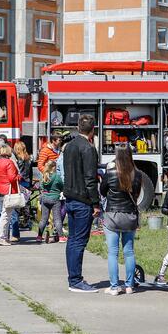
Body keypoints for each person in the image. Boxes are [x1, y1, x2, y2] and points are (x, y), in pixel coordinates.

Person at [63, 114, 100, 293]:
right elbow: (90, 179)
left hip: (70, 197)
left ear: (78, 127)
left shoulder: (69, 146)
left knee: (72, 240)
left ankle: (73, 277)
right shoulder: (88, 148)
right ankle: (76, 280)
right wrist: (96, 203)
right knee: (79, 241)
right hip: (83, 200)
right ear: (93, 130)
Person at [100, 144, 142, 296]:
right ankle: (130, 285)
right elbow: (136, 194)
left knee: (113, 253)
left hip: (112, 216)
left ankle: (114, 286)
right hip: (130, 216)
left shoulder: (110, 173)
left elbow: (102, 191)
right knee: (129, 252)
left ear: (116, 156)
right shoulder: (137, 174)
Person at [0, 145, 20, 246]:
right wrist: (18, 177)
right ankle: (0, 238)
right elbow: (12, 178)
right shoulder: (9, 162)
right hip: (8, 191)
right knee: (6, 215)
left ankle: (3, 237)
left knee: (4, 214)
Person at [36, 160, 65, 243]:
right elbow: (61, 186)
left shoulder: (44, 176)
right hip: (55, 198)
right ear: (54, 167)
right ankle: (61, 237)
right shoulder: (56, 177)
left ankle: (39, 236)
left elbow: (41, 186)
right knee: (57, 219)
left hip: (45, 198)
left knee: (43, 219)